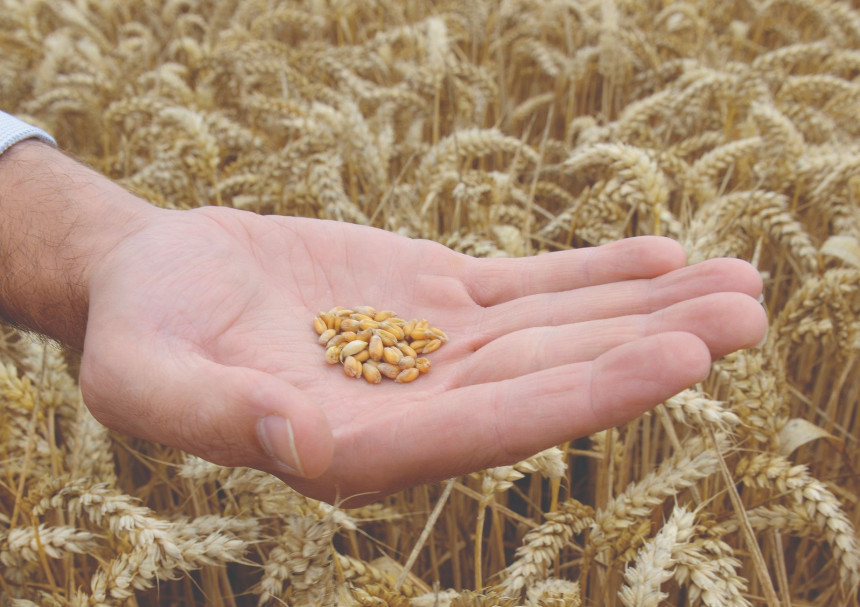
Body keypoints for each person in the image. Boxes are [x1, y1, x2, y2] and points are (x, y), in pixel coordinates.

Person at [0, 111, 767, 505]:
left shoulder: (377, 340)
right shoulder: (371, 341)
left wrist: (112, 245)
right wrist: (113, 251)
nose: (377, 347)